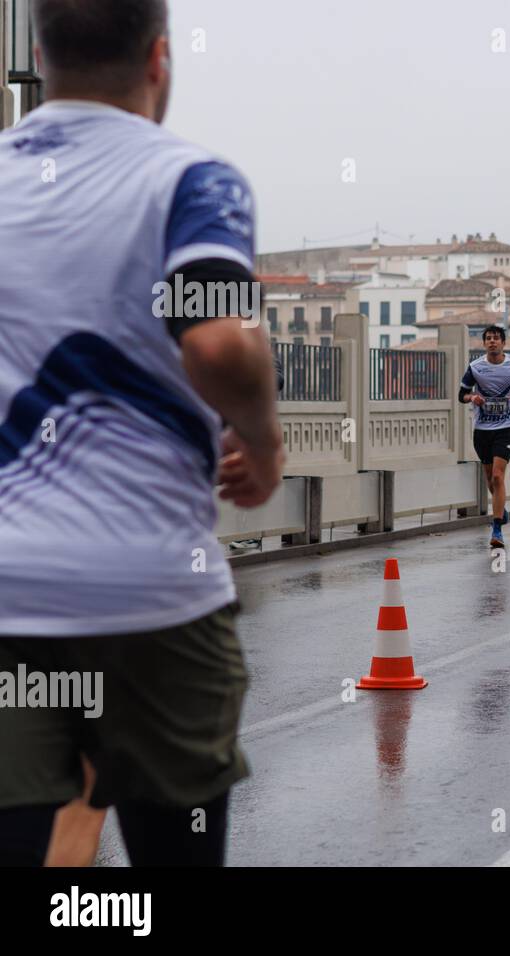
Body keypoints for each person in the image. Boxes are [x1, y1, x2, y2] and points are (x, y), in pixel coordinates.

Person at [0, 0, 283, 867]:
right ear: (160, 57)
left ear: (41, 53)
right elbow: (216, 338)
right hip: (154, 593)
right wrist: (264, 445)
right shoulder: (194, 180)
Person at [459, 325, 510, 548]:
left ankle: (497, 529)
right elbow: (461, 394)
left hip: (505, 427)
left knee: (497, 477)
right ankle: (500, 508)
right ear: (484, 344)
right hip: (482, 429)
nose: (492, 342)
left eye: (496, 338)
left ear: (503, 343)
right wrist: (472, 398)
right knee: (489, 477)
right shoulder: (475, 367)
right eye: (488, 339)